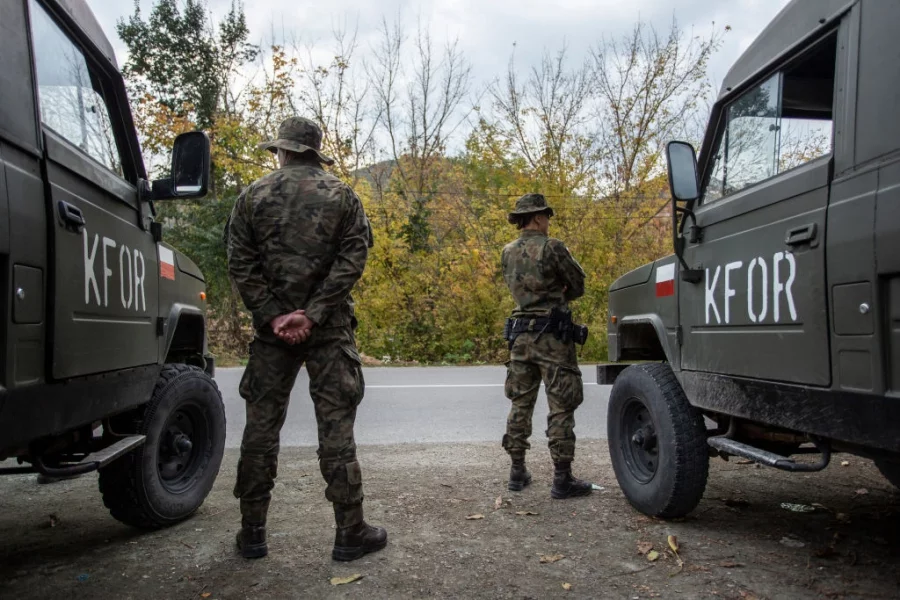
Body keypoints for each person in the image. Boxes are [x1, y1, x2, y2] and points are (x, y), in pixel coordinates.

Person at [226, 116, 386, 561]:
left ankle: (253, 534)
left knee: (260, 430)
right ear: (314, 151)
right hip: (329, 328)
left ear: (282, 150)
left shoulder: (252, 196)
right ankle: (349, 534)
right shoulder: (342, 196)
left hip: (270, 332)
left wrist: (275, 315)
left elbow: (240, 263)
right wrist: (313, 314)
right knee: (336, 430)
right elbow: (353, 259)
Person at [500, 193, 593, 499]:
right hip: (553, 337)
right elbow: (578, 284)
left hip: (520, 337)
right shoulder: (553, 247)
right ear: (538, 217)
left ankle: (517, 472)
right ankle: (562, 479)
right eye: (547, 217)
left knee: (520, 403)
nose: (548, 222)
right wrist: (560, 290)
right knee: (561, 405)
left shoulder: (507, 251)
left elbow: (517, 288)